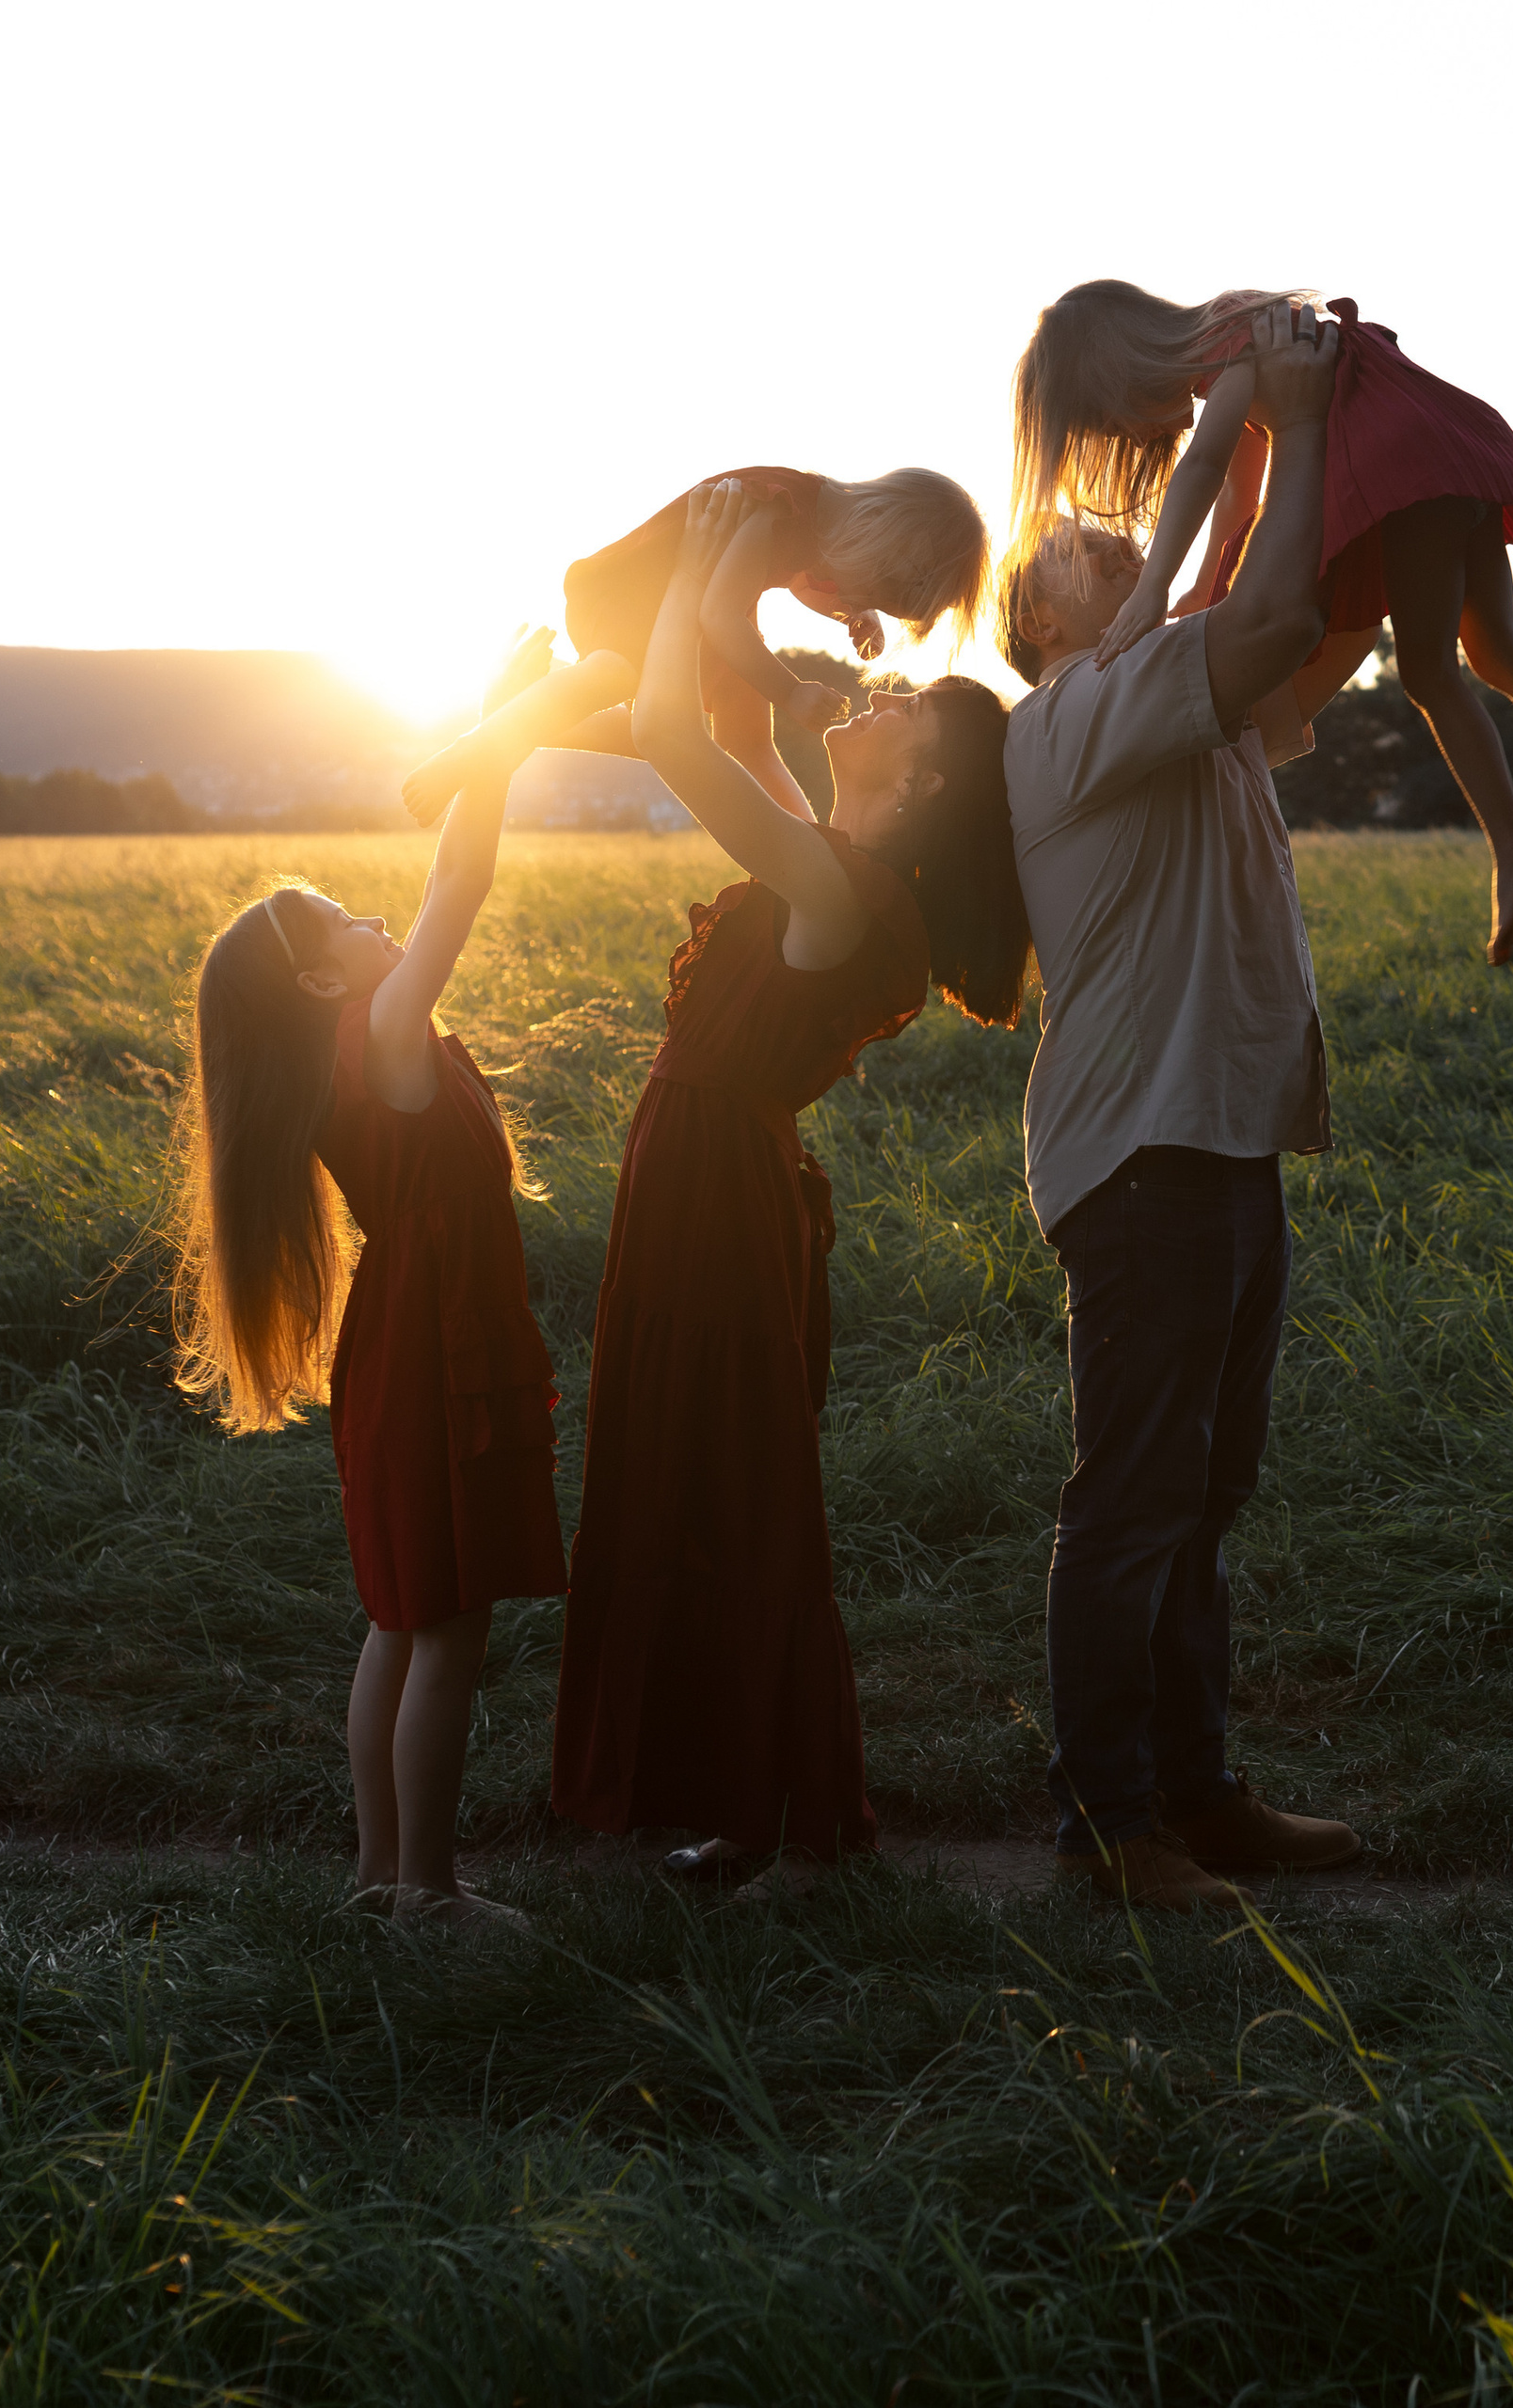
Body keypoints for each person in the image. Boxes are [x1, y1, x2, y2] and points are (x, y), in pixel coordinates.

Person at [549, 482, 1027, 1879]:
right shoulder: (838, 868)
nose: (872, 699)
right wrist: (732, 592)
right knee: (701, 1486)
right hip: (703, 1186)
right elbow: (738, 727)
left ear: (924, 784)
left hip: (712, 1201)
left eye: (900, 713)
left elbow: (664, 733)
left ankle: (792, 1821)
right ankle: (754, 1813)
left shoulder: (849, 897)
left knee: (725, 1499)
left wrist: (707, 572)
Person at [995, 300, 1362, 1913]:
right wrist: (1247, 414)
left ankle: (1199, 1801)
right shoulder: (1073, 720)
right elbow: (1251, 596)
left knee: (1202, 1495)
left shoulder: (1176, 706)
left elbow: (1295, 619)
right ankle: (1108, 1829)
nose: (1105, 537)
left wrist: (1297, 422)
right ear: (1046, 620)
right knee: (1133, 1504)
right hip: (1141, 1158)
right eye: (1082, 548)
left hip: (1214, 1139)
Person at [168, 642, 566, 1925]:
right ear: (327, 979)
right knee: (443, 1628)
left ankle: (380, 1885)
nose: (375, 915)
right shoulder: (381, 1034)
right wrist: (504, 730)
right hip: (433, 1354)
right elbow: (465, 874)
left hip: (409, 1346)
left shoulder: (366, 1044)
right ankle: (433, 1898)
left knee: (401, 1619)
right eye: (345, 917)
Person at [1011, 280, 1513, 963]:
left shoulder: (1228, 344)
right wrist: (1200, 592)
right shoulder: (1237, 342)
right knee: (1499, 653)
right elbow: (1242, 490)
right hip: (1436, 441)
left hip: (1405, 459)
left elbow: (1207, 467)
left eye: (1119, 420)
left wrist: (1153, 591)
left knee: (1427, 670)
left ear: (1120, 369)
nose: (1140, 436)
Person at [400, 463, 990, 821]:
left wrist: (850, 610)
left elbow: (801, 578)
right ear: (884, 544)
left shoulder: (818, 524)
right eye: (877, 590)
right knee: (615, 676)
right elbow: (721, 613)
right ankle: (472, 750)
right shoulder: (778, 509)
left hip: (705, 612)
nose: (859, 597)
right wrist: (790, 693)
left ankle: (813, 843)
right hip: (643, 596)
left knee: (737, 741)